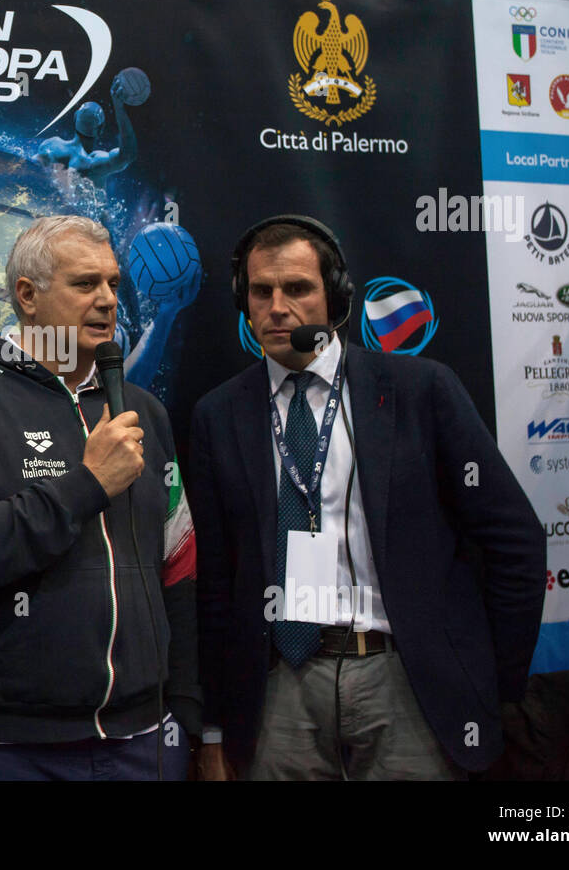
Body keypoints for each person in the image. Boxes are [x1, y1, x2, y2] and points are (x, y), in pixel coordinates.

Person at [191, 214, 545, 780]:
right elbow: (213, 584)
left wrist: (491, 683)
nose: (277, 306)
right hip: (276, 690)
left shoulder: (419, 391)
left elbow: (515, 541)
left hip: (406, 681)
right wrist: (211, 726)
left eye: (298, 288)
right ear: (243, 300)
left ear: (336, 297)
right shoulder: (219, 415)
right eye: (261, 291)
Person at [0, 215, 201, 780]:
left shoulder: (143, 408)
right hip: (6, 747)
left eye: (113, 283)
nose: (108, 300)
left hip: (144, 740)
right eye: (86, 284)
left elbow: (178, 566)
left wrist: (186, 708)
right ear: (28, 295)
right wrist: (86, 486)